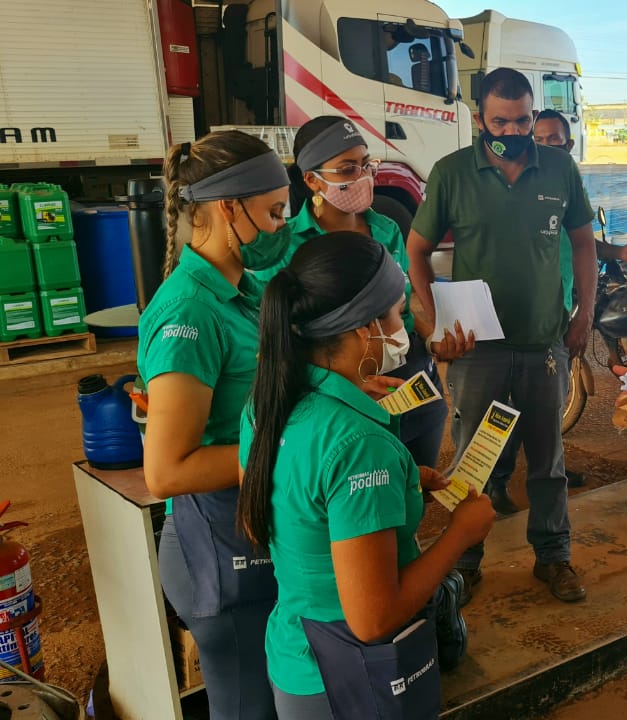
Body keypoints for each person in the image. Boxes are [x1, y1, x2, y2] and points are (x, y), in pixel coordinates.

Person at [238, 232, 496, 718]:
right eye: (398, 313)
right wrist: (461, 534)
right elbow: (372, 618)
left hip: (296, 658)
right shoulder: (359, 446)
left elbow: (279, 510)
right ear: (365, 329)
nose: (405, 329)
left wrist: (398, 479)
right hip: (353, 679)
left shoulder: (266, 404)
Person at [406, 68, 597, 604]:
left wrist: (583, 312)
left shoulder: (559, 168)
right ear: (478, 119)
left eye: (522, 120)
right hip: (477, 350)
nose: (511, 130)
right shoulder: (451, 173)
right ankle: (466, 561)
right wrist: (437, 318)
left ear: (533, 116)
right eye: (499, 121)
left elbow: (583, 243)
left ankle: (554, 559)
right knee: (476, 460)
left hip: (544, 343)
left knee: (547, 459)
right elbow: (416, 250)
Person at [137, 130, 291, 720]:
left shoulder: (244, 290)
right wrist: (289, 452)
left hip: (251, 530)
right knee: (251, 707)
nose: (283, 225)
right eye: (275, 211)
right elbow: (167, 470)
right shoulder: (188, 315)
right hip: (219, 556)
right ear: (230, 207)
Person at [478, 108, 627, 513]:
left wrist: (590, 299)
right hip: (512, 319)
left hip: (560, 309)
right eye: (544, 140)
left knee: (548, 401)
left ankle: (549, 468)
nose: (554, 147)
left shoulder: (566, 183)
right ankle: (497, 482)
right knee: (501, 406)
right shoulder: (512, 191)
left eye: (561, 140)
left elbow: (583, 242)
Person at [255, 115, 450, 469]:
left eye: (365, 165)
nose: (362, 177)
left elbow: (404, 312)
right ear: (312, 180)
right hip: (342, 393)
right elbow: (278, 333)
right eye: (347, 170)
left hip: (409, 380)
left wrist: (433, 340)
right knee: (362, 499)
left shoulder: (387, 230)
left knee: (413, 492)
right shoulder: (286, 246)